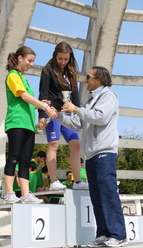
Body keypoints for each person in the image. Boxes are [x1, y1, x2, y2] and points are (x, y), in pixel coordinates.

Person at [49, 66, 127, 248]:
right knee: (97, 197)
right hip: (91, 156)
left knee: (108, 194)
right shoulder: (91, 101)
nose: (85, 80)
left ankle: (118, 235)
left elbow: (100, 117)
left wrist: (76, 109)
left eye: (88, 77)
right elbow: (77, 122)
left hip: (104, 153)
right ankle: (103, 234)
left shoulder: (109, 96)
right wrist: (58, 115)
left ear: (99, 79)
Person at [3, 45, 53, 204]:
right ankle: (9, 193)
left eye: (33, 61)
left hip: (28, 124)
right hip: (16, 121)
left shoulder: (24, 79)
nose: (31, 64)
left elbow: (30, 101)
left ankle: (25, 194)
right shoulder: (13, 75)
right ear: (20, 58)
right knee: (13, 156)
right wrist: (43, 106)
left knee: (25, 159)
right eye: (29, 60)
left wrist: (39, 106)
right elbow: (23, 96)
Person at [38, 42, 88, 191]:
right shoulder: (47, 70)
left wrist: (79, 116)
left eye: (66, 59)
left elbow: (76, 96)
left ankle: (78, 181)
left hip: (68, 113)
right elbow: (43, 93)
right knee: (54, 144)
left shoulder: (71, 72)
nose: (63, 62)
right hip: (53, 112)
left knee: (76, 145)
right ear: (55, 55)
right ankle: (54, 181)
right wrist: (41, 115)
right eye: (60, 58)